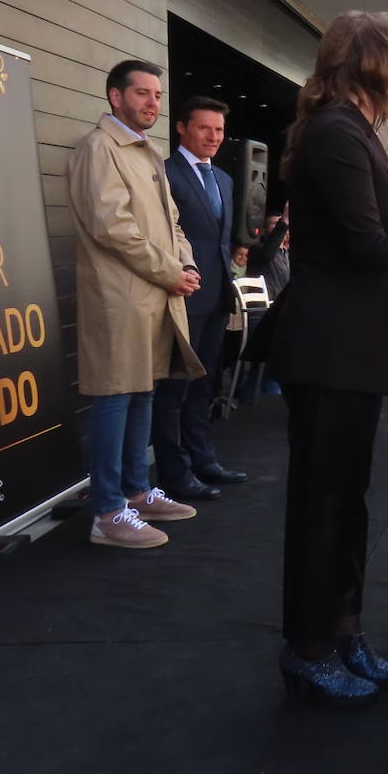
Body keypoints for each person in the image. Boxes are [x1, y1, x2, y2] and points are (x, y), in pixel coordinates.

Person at [265, 12, 388, 704]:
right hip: (329, 347)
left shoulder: (353, 132)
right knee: (323, 505)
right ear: (371, 65)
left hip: (353, 345)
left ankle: (345, 633)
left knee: (349, 504)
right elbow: (368, 249)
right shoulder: (336, 135)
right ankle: (309, 649)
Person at [67, 60, 203, 549]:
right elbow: (112, 228)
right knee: (114, 397)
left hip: (156, 296)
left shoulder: (146, 151)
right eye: (142, 93)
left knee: (143, 392)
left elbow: (172, 222)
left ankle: (137, 493)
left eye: (158, 94)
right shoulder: (99, 148)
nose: (152, 102)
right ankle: (107, 512)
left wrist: (184, 265)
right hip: (119, 299)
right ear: (114, 96)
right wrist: (171, 272)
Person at [151, 95, 249, 504]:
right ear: (182, 128)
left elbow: (222, 238)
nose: (213, 136)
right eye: (205, 128)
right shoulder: (164, 174)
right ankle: (174, 473)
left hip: (216, 299)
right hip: (180, 298)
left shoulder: (225, 180)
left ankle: (203, 459)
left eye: (220, 130)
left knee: (203, 387)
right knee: (172, 392)